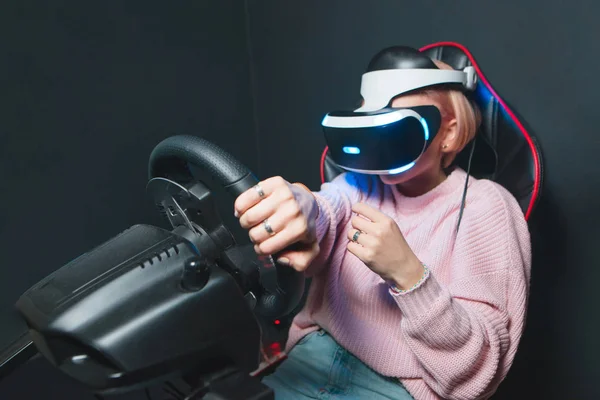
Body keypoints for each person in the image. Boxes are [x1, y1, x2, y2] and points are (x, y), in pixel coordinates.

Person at [233, 50, 531, 400]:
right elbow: (326, 209)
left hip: (401, 387)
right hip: (311, 359)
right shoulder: (358, 184)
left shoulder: (485, 206)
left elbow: (477, 369)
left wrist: (409, 275)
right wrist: (299, 205)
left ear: (448, 133)